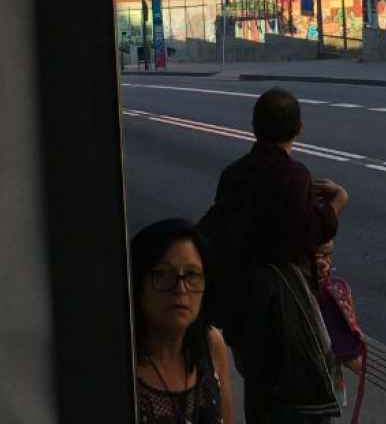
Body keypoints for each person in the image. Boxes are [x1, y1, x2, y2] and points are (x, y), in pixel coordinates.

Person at [204, 87, 348, 423]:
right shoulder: (293, 175)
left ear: (254, 127)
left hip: (246, 309)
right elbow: (306, 234)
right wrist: (338, 202)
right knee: (297, 400)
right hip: (284, 310)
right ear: (299, 129)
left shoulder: (234, 174)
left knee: (259, 393)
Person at [131, 218, 236, 424]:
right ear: (137, 284)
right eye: (163, 274)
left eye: (192, 275)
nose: (181, 289)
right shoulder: (121, 361)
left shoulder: (211, 344)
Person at [314, 240, 367, 419]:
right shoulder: (331, 294)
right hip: (318, 390)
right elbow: (351, 357)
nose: (324, 263)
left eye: (328, 255)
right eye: (316, 256)